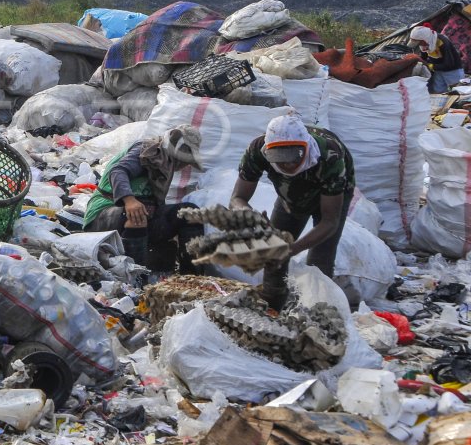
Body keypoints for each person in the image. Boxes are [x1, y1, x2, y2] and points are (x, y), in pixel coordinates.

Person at [230, 113, 355, 310]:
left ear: (306, 147)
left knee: (319, 263)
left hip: (331, 196)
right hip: (290, 197)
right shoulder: (257, 150)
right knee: (273, 257)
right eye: (279, 158)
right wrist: (249, 216)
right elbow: (237, 198)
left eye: (293, 156)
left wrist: (293, 249)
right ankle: (272, 311)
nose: (287, 164)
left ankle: (318, 318)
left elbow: (329, 222)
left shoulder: (330, 156)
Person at [83, 125, 204, 271]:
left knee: (189, 213)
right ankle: (136, 277)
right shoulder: (147, 150)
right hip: (104, 213)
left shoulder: (164, 165)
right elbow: (118, 171)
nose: (184, 165)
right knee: (138, 214)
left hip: (140, 216)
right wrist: (129, 200)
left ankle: (191, 278)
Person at [409, 25, 465, 94]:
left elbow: (449, 64)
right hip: (438, 70)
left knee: (457, 92)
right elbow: (423, 56)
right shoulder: (424, 44)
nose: (419, 44)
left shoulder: (442, 41)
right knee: (438, 92)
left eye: (419, 42)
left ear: (424, 39)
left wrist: (430, 66)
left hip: (452, 71)